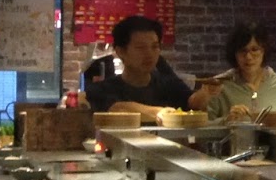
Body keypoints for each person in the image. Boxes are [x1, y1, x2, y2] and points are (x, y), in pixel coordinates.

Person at [86, 15, 214, 121]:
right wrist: (162, 113)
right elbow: (117, 109)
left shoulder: (168, 83)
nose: (149, 54)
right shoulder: (103, 89)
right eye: (141, 47)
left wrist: (206, 93)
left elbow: (191, 102)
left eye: (154, 46)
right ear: (121, 52)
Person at [207, 21, 276, 123]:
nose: (248, 57)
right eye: (242, 51)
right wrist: (227, 120)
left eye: (254, 50)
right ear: (234, 54)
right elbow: (204, 126)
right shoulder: (219, 85)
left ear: (264, 51)